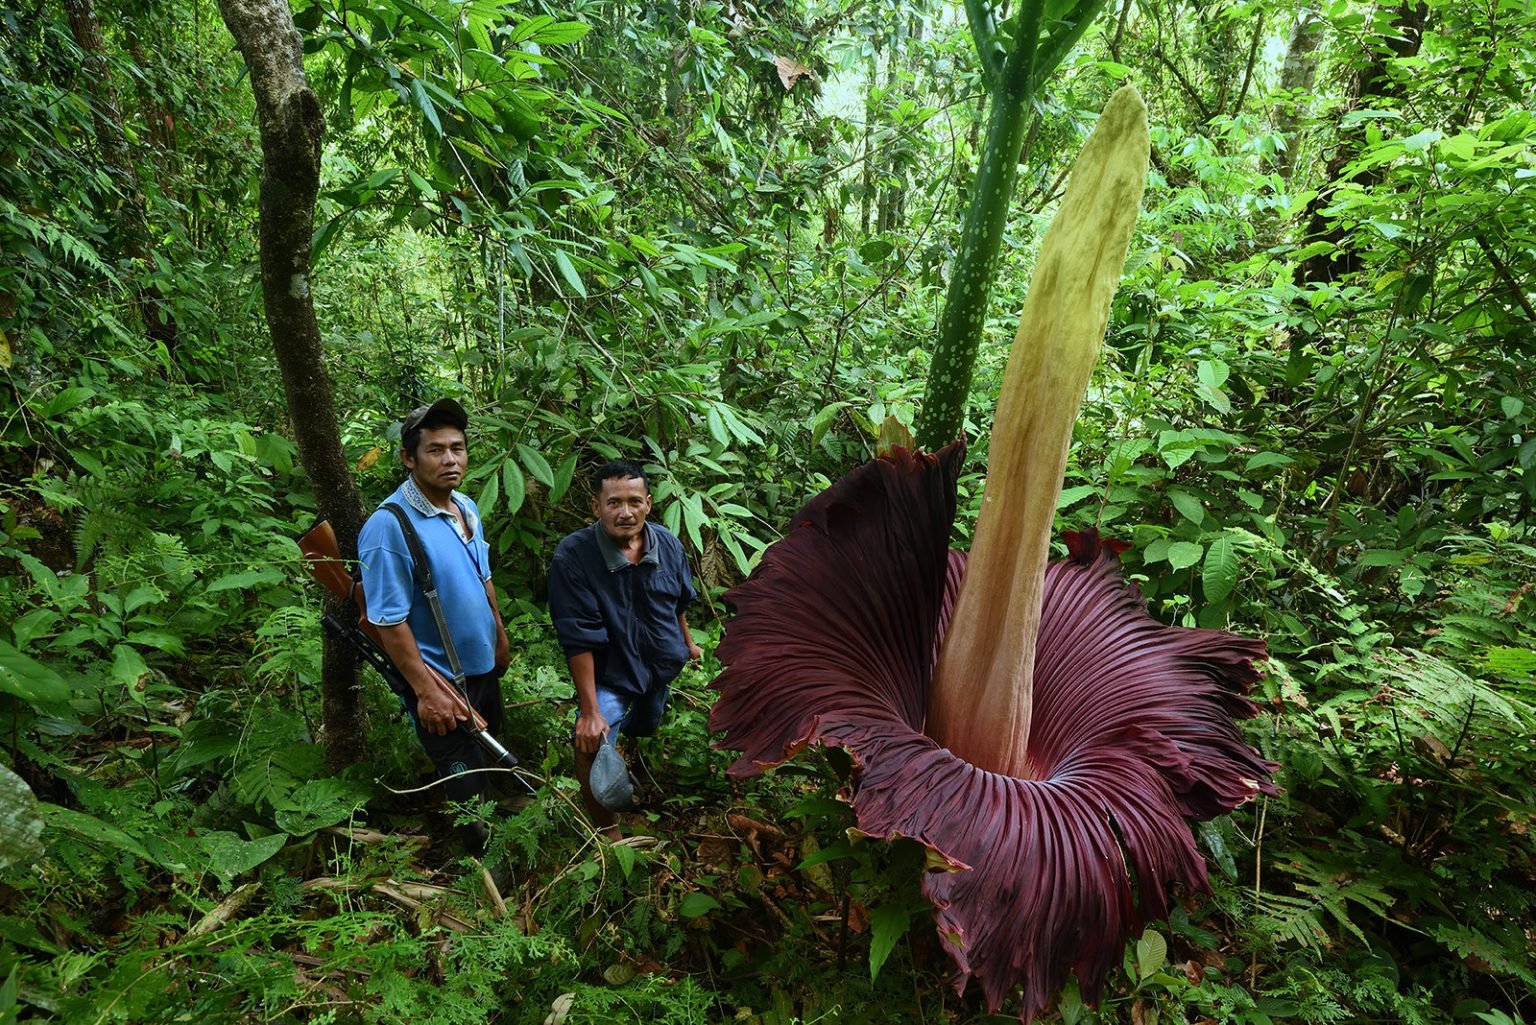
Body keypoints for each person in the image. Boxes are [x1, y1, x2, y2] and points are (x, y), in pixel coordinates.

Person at [358, 398, 511, 856]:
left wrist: (499, 636)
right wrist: (426, 692)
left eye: (458, 448)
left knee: (491, 758)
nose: (450, 459)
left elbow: (483, 577)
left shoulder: (464, 505)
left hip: (482, 669)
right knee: (463, 777)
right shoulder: (389, 527)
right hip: (441, 682)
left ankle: (508, 837)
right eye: (436, 450)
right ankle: (481, 865)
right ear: (408, 458)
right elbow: (388, 620)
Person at [547, 460, 703, 838]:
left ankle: (630, 749)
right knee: (590, 743)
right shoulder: (574, 557)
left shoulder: (666, 543)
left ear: (649, 503)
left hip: (661, 666)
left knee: (647, 723)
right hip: (611, 673)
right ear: (595, 507)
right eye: (614, 503)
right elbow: (578, 637)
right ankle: (609, 836)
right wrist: (589, 711)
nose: (625, 512)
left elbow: (679, 600)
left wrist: (687, 643)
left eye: (634, 501)